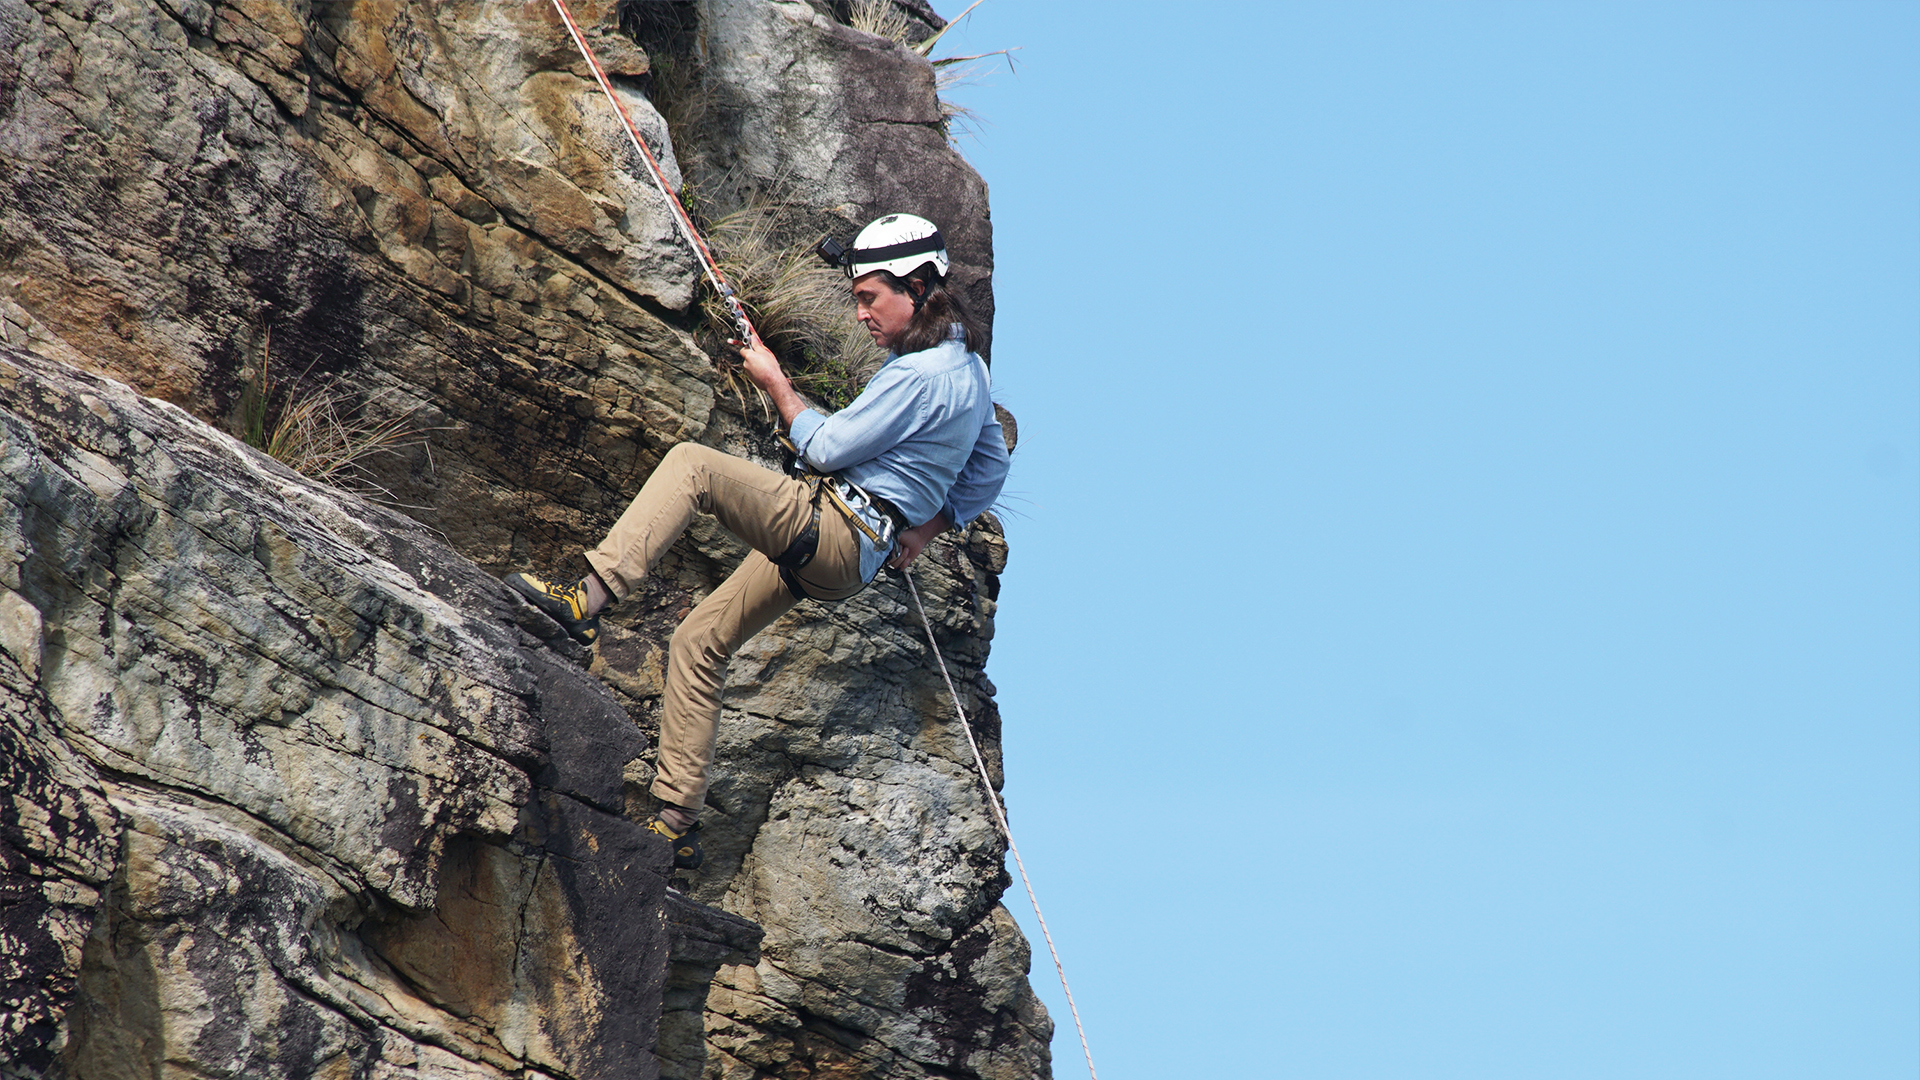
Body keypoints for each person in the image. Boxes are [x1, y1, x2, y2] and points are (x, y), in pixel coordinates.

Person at [504, 213, 1009, 871]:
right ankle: (675, 823)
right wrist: (926, 528)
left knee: (692, 466)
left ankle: (585, 602)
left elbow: (826, 448)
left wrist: (776, 384)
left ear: (916, 287)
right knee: (699, 640)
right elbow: (990, 468)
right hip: (854, 556)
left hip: (832, 527)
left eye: (869, 297)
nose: (860, 314)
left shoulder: (919, 375)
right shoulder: (969, 372)